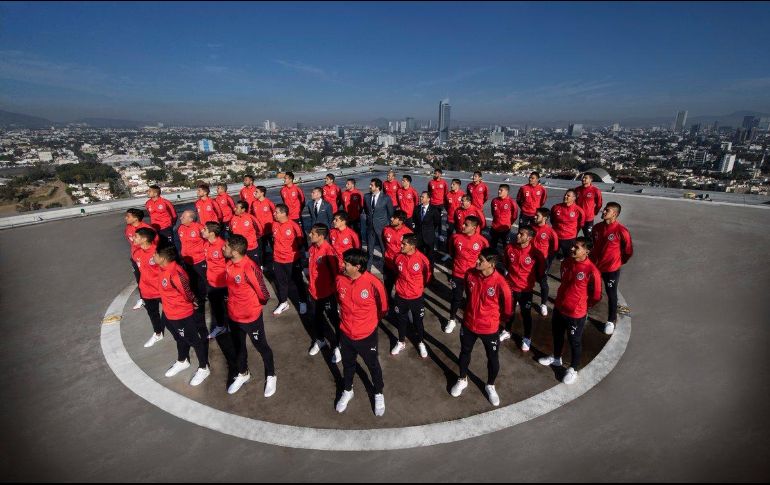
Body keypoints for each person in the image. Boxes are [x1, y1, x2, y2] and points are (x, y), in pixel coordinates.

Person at [450, 248, 513, 406]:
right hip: (469, 323)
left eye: (481, 260)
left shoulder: (500, 283)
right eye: (478, 258)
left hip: (489, 328)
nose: (476, 261)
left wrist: (496, 320)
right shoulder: (470, 274)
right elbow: (468, 293)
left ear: (491, 264)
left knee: (492, 358)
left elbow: (507, 309)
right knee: (465, 352)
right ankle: (462, 379)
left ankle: (490, 385)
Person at [538, 238, 602, 385]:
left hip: (576, 314)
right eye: (573, 246)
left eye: (577, 248)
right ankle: (556, 357)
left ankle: (573, 368)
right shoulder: (566, 262)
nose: (572, 249)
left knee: (575, 341)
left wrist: (583, 306)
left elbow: (597, 295)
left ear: (587, 251)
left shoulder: (592, 271)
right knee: (557, 335)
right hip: (560, 308)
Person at [222, 235, 277, 397]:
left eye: (226, 246)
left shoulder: (249, 267)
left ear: (236, 251)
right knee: (238, 347)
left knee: (262, 347)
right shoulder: (229, 264)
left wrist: (253, 307)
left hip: (250, 317)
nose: (223, 248)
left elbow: (264, 293)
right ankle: (243, 372)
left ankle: (271, 374)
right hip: (234, 315)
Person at [335, 249, 388, 416]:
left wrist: (368, 324)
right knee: (348, 364)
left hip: (366, 336)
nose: (342, 265)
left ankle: (378, 393)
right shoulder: (339, 279)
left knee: (373, 365)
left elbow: (383, 308)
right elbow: (339, 299)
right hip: (345, 333)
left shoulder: (373, 283)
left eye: (346, 264)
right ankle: (347, 390)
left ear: (357, 267)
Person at [153, 245, 210, 387]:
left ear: (163, 258)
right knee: (178, 338)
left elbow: (187, 293)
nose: (153, 257)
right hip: (168, 312)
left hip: (181, 314)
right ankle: (183, 360)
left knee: (194, 340)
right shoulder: (162, 268)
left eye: (155, 255)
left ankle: (204, 367)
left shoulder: (175, 273)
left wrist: (193, 302)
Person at [590, 202, 633, 335]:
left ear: (615, 214)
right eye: (604, 210)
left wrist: (619, 262)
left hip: (611, 269)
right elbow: (593, 245)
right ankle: (582, 312)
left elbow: (628, 251)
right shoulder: (597, 228)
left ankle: (611, 320)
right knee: (590, 290)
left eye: (606, 211)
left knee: (611, 294)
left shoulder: (621, 231)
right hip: (596, 266)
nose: (603, 212)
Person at [500, 226, 545, 352]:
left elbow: (540, 272)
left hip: (526, 290)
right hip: (511, 286)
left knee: (526, 314)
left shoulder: (536, 254)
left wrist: (528, 281)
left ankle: (527, 337)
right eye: (518, 233)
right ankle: (507, 330)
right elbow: (507, 264)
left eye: (521, 234)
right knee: (509, 311)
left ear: (529, 238)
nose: (517, 236)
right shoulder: (509, 248)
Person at [306, 224, 342, 364]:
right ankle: (320, 340)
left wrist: (337, 294)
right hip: (314, 292)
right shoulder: (312, 249)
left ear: (321, 236)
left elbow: (336, 275)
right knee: (316, 318)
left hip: (327, 293)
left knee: (334, 319)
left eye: (313, 234)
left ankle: (339, 344)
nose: (309, 235)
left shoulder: (329, 252)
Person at [391, 234, 432, 358]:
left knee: (418, 322)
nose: (401, 245)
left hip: (416, 297)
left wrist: (417, 288)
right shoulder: (398, 257)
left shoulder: (422, 260)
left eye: (404, 244)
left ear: (412, 246)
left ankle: (420, 342)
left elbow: (428, 276)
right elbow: (396, 271)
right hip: (401, 296)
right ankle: (401, 341)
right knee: (401, 320)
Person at [446, 216, 489, 334]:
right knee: (456, 298)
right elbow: (451, 252)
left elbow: (486, 258)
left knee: (472, 298)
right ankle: (452, 319)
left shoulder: (482, 241)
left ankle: (471, 318)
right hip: (457, 274)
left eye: (466, 225)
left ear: (474, 228)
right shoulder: (455, 237)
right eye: (463, 223)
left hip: (473, 276)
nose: (462, 226)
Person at [271, 204, 308, 316]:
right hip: (278, 259)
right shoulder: (274, 225)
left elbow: (300, 243)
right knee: (281, 282)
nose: (274, 214)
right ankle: (283, 302)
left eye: (276, 212)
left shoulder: (293, 226)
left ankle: (303, 301)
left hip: (292, 260)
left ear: (283, 213)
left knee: (298, 281)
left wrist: (300, 260)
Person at [131, 227, 164, 348]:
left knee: (173, 314)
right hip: (146, 291)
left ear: (144, 239)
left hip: (161, 290)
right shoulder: (136, 253)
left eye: (136, 237)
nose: (133, 238)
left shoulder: (157, 252)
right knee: (153, 313)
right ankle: (158, 333)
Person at [202, 221, 229, 339]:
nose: (202, 230)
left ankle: (233, 325)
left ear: (212, 233)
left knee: (229, 306)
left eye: (205, 229)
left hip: (224, 283)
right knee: (216, 306)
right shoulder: (206, 244)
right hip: (211, 282)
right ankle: (220, 326)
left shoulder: (223, 246)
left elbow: (230, 264)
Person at [177, 210, 207, 315]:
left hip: (200, 259)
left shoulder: (199, 227)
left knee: (203, 279)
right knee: (192, 281)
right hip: (187, 261)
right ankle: (197, 298)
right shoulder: (180, 228)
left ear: (191, 219)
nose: (180, 218)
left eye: (183, 217)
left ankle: (205, 297)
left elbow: (208, 240)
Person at [124, 208, 153, 310]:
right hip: (135, 258)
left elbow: (154, 244)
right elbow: (130, 241)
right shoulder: (128, 228)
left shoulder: (147, 229)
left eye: (128, 216)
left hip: (147, 259)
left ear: (136, 218)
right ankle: (143, 298)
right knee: (139, 279)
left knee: (151, 277)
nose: (125, 218)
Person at [363, 178, 394, 272]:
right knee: (369, 249)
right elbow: (366, 210)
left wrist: (389, 227)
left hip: (382, 227)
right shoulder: (366, 197)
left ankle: (385, 266)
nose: (369, 186)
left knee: (384, 248)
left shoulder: (386, 198)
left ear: (378, 187)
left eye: (371, 185)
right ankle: (368, 269)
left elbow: (390, 213)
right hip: (370, 227)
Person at [532, 208, 559, 317]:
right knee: (526, 280)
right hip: (529, 259)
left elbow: (555, 248)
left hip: (542, 261)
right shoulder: (531, 227)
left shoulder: (550, 232)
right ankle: (523, 298)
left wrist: (547, 260)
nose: (534, 217)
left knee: (543, 283)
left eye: (537, 215)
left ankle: (543, 304)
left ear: (545, 218)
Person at [382, 210, 413, 300]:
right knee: (387, 287)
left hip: (401, 266)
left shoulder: (408, 233)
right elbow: (384, 242)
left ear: (400, 221)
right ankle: (388, 304)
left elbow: (411, 251)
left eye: (394, 218)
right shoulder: (386, 229)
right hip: (388, 264)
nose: (391, 219)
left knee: (400, 288)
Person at [551, 189, 586, 260]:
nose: (565, 196)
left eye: (568, 196)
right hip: (555, 237)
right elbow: (552, 220)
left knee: (569, 259)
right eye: (565, 195)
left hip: (569, 239)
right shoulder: (556, 207)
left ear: (574, 198)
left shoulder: (578, 210)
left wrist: (571, 232)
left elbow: (581, 224)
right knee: (549, 257)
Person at [412, 191, 442, 266]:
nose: (420, 198)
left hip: (429, 236)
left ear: (428, 199)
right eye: (421, 196)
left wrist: (429, 229)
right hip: (419, 236)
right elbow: (415, 220)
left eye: (423, 197)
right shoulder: (417, 208)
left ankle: (430, 273)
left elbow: (437, 222)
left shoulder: (434, 209)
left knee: (430, 256)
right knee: (419, 255)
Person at [251, 185, 276, 267]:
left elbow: (276, 214)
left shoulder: (269, 202)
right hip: (259, 231)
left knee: (274, 247)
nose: (255, 193)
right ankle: (262, 265)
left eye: (256, 192)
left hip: (269, 230)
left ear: (262, 193)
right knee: (261, 249)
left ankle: (276, 263)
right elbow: (251, 216)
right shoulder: (254, 203)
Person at [229, 201, 260, 265]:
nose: (234, 209)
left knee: (255, 266)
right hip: (239, 249)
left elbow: (259, 230)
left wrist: (253, 239)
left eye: (237, 208)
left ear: (243, 210)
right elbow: (231, 231)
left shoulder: (250, 218)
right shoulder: (233, 218)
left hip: (251, 247)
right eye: (235, 207)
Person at [490, 184, 519, 250]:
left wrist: (508, 223)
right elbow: (493, 212)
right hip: (495, 227)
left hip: (505, 229)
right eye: (499, 190)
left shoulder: (511, 202)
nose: (499, 191)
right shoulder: (494, 200)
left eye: (501, 190)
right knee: (492, 245)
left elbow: (514, 215)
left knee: (506, 247)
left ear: (506, 191)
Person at [443, 178, 465, 261]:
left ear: (458, 185)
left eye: (453, 184)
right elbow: (445, 204)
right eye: (451, 184)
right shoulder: (448, 194)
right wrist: (449, 211)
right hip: (450, 219)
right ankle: (448, 253)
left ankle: (459, 254)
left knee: (461, 237)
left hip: (460, 220)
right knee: (449, 237)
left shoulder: (463, 194)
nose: (451, 185)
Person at [427, 168, 449, 246]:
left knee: (439, 221)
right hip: (432, 204)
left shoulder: (444, 183)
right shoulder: (431, 182)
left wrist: (445, 204)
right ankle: (431, 234)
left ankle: (440, 235)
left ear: (440, 174)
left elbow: (446, 193)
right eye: (434, 173)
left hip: (440, 205)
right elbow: (429, 192)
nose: (435, 174)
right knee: (432, 220)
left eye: (436, 173)